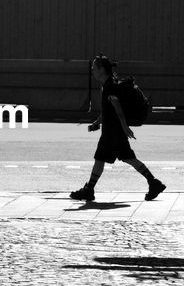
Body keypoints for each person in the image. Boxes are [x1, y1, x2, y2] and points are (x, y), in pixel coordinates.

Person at [70, 55, 166, 202]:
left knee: (100, 158)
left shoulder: (110, 86)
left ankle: (89, 190)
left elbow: (117, 108)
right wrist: (97, 122)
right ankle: (153, 182)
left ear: (102, 70)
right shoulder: (109, 84)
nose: (92, 70)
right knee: (128, 158)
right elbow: (107, 108)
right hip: (114, 131)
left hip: (112, 132)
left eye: (94, 68)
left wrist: (125, 127)